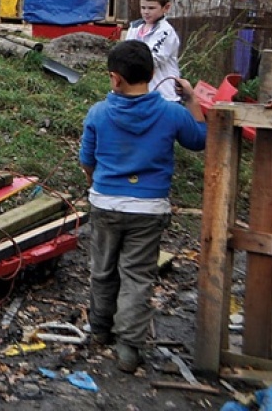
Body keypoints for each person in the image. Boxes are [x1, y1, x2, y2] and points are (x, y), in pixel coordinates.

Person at [79, 39, 206, 373]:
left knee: (102, 270)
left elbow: (86, 161)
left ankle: (100, 331)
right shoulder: (172, 112)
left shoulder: (98, 112)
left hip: (105, 203)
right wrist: (191, 98)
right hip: (149, 209)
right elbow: (200, 139)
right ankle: (128, 348)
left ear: (115, 78)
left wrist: (96, 182)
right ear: (152, 73)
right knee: (137, 277)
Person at [125, 0, 181, 101]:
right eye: (143, 7)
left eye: (151, 8)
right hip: (139, 95)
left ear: (166, 7)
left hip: (164, 95)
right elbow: (124, 55)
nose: (146, 12)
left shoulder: (166, 32)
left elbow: (152, 60)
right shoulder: (134, 28)